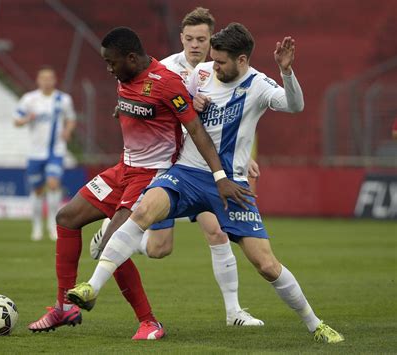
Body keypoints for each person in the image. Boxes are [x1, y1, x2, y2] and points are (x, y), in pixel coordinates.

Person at [68, 23, 345, 344]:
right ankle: (92, 286)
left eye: (221, 62)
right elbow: (168, 98)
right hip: (186, 173)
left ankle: (315, 325)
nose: (213, 66)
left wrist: (286, 72)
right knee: (142, 212)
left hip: (231, 184)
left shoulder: (258, 84)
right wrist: (139, 108)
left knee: (266, 265)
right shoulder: (199, 73)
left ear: (242, 61)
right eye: (212, 60)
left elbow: (295, 105)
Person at [28, 27, 251, 340]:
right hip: (123, 169)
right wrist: (124, 109)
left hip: (152, 177)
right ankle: (64, 306)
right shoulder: (125, 75)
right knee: (66, 218)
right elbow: (138, 106)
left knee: (113, 243)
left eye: (112, 62)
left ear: (131, 58)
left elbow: (197, 130)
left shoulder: (167, 83)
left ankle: (149, 322)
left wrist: (220, 175)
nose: (109, 68)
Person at [90, 7, 263, 327]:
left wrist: (241, 158)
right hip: (169, 167)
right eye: (189, 38)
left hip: (205, 167)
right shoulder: (165, 69)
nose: (195, 45)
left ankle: (233, 312)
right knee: (159, 249)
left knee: (216, 231)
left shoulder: (221, 71)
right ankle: (120, 236)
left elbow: (230, 122)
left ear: (212, 40)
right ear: (181, 38)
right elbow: (144, 105)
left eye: (202, 39)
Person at [14, 66, 76, 241]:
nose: (47, 82)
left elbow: (71, 118)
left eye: (50, 78)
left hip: (55, 151)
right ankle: (36, 227)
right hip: (35, 152)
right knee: (37, 190)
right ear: (38, 80)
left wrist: (68, 130)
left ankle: (52, 224)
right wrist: (27, 119)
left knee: (54, 184)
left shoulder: (63, 99)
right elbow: (16, 120)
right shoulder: (29, 99)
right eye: (43, 78)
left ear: (54, 80)